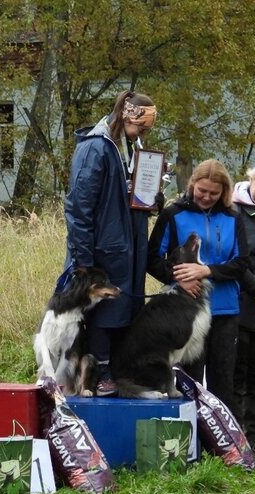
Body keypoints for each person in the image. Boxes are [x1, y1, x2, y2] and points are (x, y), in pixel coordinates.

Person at [64, 90, 157, 396]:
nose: (144, 133)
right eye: (141, 126)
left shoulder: (130, 147)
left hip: (128, 248)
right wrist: (83, 260)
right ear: (126, 115)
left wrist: (151, 198)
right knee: (102, 311)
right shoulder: (96, 148)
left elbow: (128, 194)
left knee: (124, 309)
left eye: (147, 129)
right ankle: (98, 373)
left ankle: (117, 372)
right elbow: (79, 207)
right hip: (102, 251)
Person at [148, 159, 248, 414]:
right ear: (193, 184)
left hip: (225, 311)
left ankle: (223, 442)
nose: (206, 197)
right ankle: (189, 438)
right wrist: (177, 277)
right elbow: (152, 259)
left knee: (223, 377)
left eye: (214, 193)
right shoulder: (173, 214)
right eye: (202, 191)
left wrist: (207, 271)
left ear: (224, 192)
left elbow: (241, 263)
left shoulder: (233, 218)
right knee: (189, 376)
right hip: (186, 311)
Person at [232, 160, 255, 449]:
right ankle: (238, 442)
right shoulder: (235, 211)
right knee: (237, 376)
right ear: (251, 180)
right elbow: (238, 261)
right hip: (241, 306)